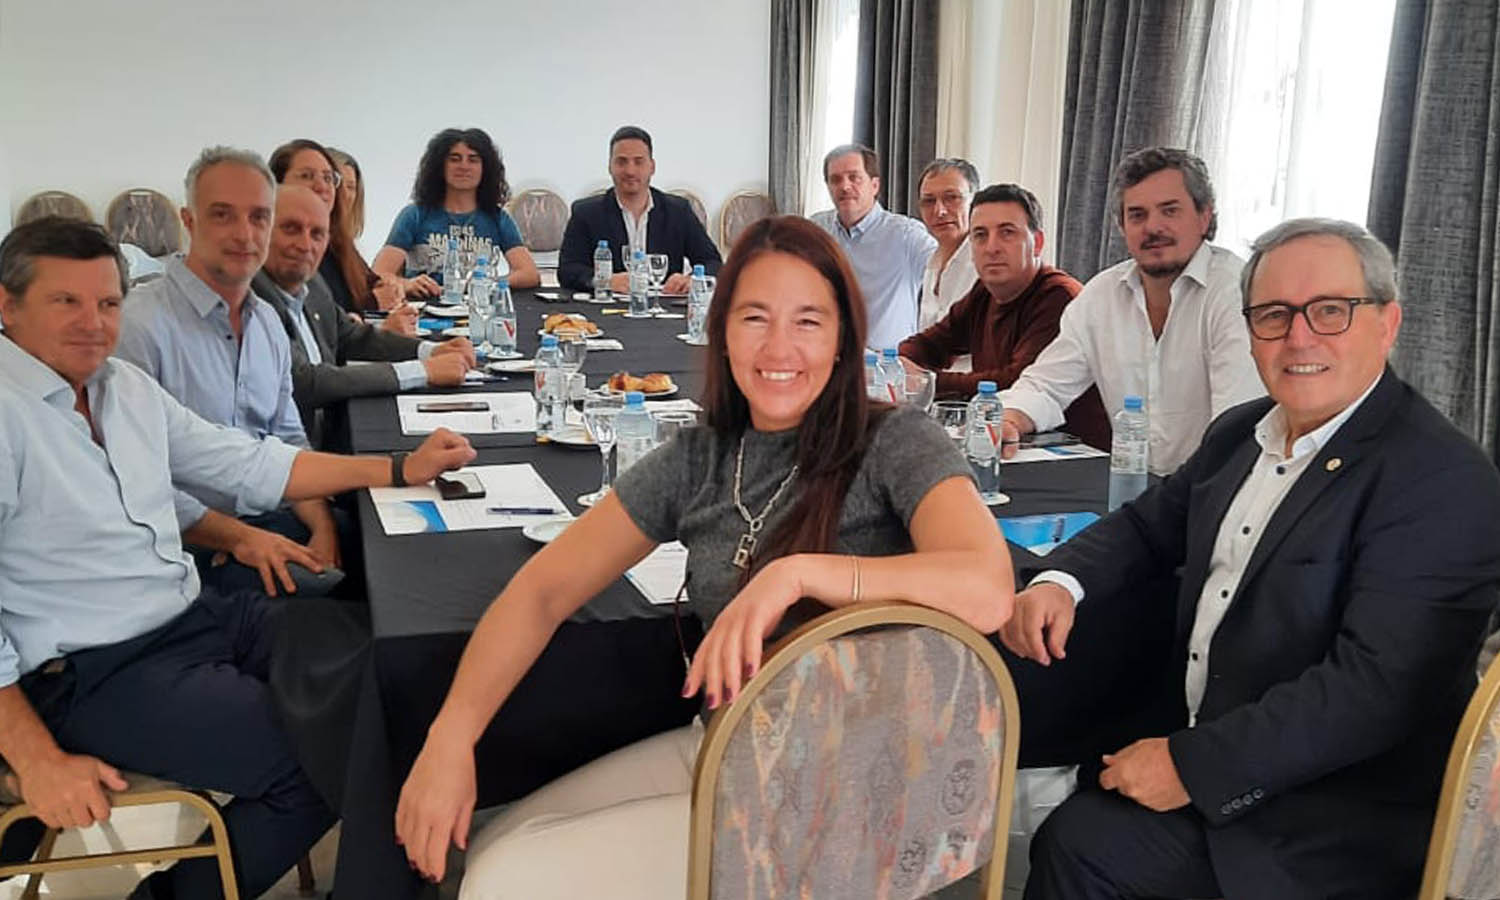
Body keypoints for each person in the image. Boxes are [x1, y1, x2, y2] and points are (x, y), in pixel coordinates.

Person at [394, 216, 1015, 896]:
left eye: (808, 321)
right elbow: (541, 592)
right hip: (735, 743)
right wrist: (450, 738)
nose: (779, 347)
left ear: (843, 339)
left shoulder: (896, 442)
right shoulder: (700, 459)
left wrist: (795, 575)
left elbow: (988, 586)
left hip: (858, 794)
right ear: (721, 331)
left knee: (504, 882)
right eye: (755, 318)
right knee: (494, 842)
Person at [1005, 218, 1500, 900]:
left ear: (1387, 324)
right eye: (1273, 315)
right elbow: (1148, 528)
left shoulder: (1443, 479)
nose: (1299, 337)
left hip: (1336, 805)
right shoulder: (1240, 434)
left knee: (1083, 846)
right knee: (1021, 690)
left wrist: (1192, 766)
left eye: (1330, 310)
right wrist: (1062, 580)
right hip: (1209, 716)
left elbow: (1375, 692)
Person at [0, 216, 476, 899]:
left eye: (106, 303)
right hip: (91, 670)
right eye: (65, 301)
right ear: (7, 305)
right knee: (321, 756)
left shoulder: (121, 387)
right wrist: (34, 757)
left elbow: (244, 462)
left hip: (193, 617)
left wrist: (400, 469)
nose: (94, 324)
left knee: (388, 658)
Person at [114, 147, 342, 592]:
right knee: (339, 599)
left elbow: (288, 441)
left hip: (271, 519)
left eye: (259, 217)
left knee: (386, 546)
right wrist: (239, 538)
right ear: (190, 220)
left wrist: (324, 527)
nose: (244, 234)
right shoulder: (138, 325)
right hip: (187, 545)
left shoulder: (268, 323)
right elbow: (133, 482)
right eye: (222, 215)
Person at [998, 147, 1263, 475]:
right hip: (1133, 485)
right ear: (1122, 227)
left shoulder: (1236, 292)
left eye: (1169, 211)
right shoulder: (1101, 295)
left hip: (1217, 486)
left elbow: (1234, 429)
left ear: (1204, 217)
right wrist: (1009, 419)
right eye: (1137, 215)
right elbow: (1046, 385)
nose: (1153, 227)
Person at [251, 185, 476, 448]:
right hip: (290, 452)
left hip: (324, 435)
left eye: (317, 234)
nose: (305, 244)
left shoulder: (311, 281)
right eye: (291, 229)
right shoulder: (251, 295)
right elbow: (306, 382)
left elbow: (349, 335)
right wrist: (423, 371)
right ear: (261, 230)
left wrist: (430, 351)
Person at [899, 183, 1109, 447]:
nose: (991, 247)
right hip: (1006, 442)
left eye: (1007, 233)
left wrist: (926, 381)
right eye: (980, 235)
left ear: (1037, 243)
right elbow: (931, 343)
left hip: (1068, 451)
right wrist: (901, 364)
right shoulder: (984, 291)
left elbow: (1015, 382)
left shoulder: (1059, 296)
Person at [556, 125, 722, 294]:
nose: (630, 171)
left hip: (663, 304)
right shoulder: (586, 213)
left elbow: (712, 262)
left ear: (652, 167)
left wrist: (692, 280)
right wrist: (605, 280)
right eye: (622, 162)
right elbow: (567, 271)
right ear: (610, 167)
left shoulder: (678, 211)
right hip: (609, 304)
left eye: (639, 161)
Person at [373, 128, 540, 296]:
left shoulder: (498, 218)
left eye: (473, 160)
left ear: (485, 168)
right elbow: (378, 274)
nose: (464, 166)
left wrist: (490, 283)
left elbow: (529, 274)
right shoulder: (414, 215)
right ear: (440, 166)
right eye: (454, 159)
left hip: (479, 306)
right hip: (425, 307)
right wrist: (406, 284)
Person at [811, 143, 936, 351]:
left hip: (886, 364)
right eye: (836, 179)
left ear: (875, 185)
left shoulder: (907, 235)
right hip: (829, 358)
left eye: (854, 177)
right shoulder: (815, 230)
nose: (845, 186)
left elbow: (946, 270)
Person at [268, 138, 403, 315]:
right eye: (306, 176)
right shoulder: (271, 247)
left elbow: (369, 283)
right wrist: (373, 302)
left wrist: (387, 284)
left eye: (328, 178)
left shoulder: (339, 239)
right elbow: (319, 317)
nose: (322, 186)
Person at [915, 157, 980, 333]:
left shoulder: (986, 264)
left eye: (952, 198)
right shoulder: (931, 263)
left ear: (974, 203)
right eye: (929, 201)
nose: (939, 211)